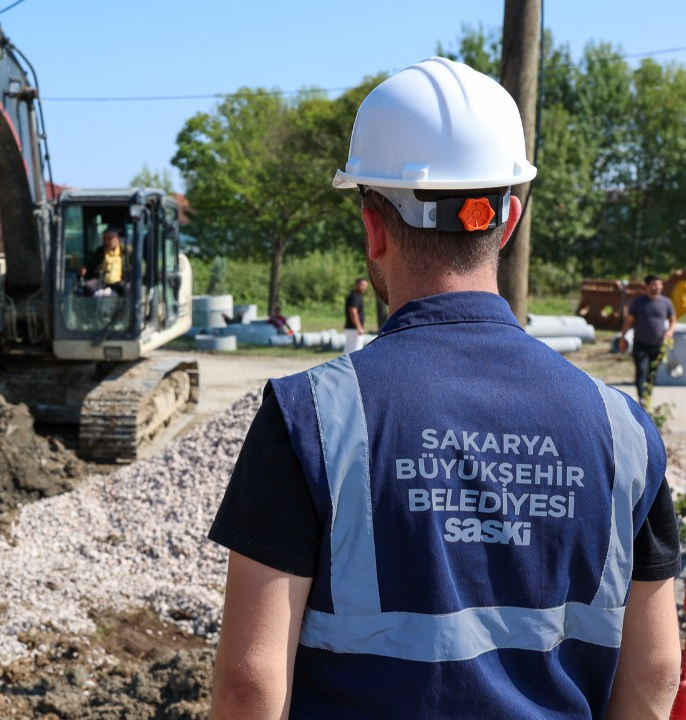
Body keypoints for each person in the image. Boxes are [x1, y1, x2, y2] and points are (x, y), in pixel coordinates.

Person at [209, 57, 680, 719]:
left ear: (374, 229)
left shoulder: (310, 419)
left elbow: (249, 686)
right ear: (509, 219)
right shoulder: (626, 431)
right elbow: (657, 672)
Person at [619, 274, 677, 408]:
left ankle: (647, 397)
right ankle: (642, 399)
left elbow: (673, 320)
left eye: (659, 284)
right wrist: (622, 338)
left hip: (658, 345)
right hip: (640, 344)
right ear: (646, 286)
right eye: (654, 284)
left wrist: (670, 331)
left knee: (652, 374)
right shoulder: (638, 302)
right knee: (641, 371)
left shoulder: (666, 302)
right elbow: (629, 321)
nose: (657, 287)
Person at [80, 227, 127, 297]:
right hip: (102, 282)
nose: (106, 242)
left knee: (129, 288)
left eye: (109, 239)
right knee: (88, 286)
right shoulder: (100, 251)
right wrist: (85, 268)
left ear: (117, 238)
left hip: (120, 282)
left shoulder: (126, 251)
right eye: (104, 239)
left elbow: (141, 264)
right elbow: (90, 263)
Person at [343, 278, 368, 353]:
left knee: (348, 352)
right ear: (356, 285)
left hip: (351, 329)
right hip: (354, 330)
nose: (364, 287)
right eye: (362, 285)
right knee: (356, 353)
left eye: (366, 286)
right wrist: (359, 327)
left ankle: (345, 365)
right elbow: (353, 312)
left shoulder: (354, 296)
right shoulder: (354, 296)